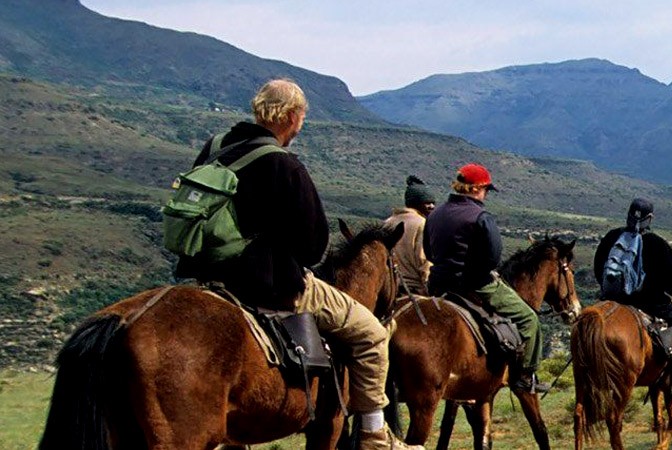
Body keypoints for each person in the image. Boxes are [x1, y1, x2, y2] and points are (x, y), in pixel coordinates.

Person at [172, 79, 419, 449]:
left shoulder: (214, 147)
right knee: (370, 334)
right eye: (301, 117)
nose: (300, 126)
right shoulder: (283, 164)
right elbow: (314, 247)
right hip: (267, 284)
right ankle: (373, 433)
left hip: (208, 277)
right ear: (290, 116)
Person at [423, 163, 546, 394]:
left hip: (438, 285)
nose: (486, 195)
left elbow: (428, 253)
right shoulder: (480, 217)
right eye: (486, 190)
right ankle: (525, 376)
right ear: (475, 189)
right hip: (475, 286)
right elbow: (492, 258)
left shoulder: (435, 214)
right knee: (529, 319)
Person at [592, 198, 672, 398]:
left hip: (613, 301)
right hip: (652, 304)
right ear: (650, 218)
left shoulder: (612, 237)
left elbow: (598, 269)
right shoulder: (657, 243)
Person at [384, 176, 436, 296]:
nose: (432, 207)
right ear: (415, 203)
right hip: (415, 290)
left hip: (390, 291)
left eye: (433, 203)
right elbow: (425, 261)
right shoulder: (422, 224)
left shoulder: (387, 223)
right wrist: (430, 291)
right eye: (427, 203)